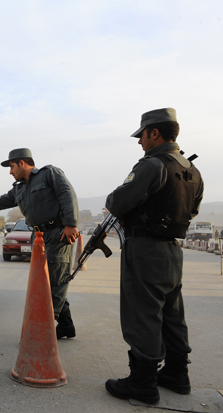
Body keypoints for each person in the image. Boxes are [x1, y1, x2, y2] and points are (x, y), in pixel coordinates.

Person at [104, 108, 203, 404]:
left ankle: (143, 383)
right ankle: (176, 374)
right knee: (172, 314)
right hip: (172, 250)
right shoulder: (192, 170)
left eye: (142, 135)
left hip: (146, 249)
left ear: (155, 133)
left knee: (142, 313)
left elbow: (117, 201)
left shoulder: (153, 165)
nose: (140, 142)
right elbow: (191, 211)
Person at [0, 148, 79, 338]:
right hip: (38, 238)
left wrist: (70, 223)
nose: (10, 172)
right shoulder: (19, 188)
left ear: (22, 163)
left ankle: (43, 332)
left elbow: (67, 194)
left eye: (11, 167)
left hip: (58, 233)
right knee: (45, 282)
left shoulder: (49, 174)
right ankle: (66, 326)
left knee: (56, 281)